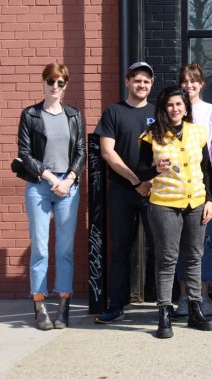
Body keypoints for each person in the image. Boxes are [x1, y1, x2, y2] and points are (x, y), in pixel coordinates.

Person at [136, 86, 212, 338]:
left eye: (179, 104)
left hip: (196, 204)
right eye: (170, 105)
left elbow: (207, 169)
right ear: (163, 108)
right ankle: (164, 313)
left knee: (194, 257)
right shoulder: (151, 136)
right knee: (167, 259)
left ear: (186, 107)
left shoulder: (198, 133)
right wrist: (155, 169)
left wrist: (211, 200)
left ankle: (195, 309)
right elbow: (140, 171)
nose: (175, 109)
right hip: (164, 204)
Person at [16, 63, 86, 330]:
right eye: (50, 81)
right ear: (43, 83)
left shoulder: (73, 115)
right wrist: (52, 178)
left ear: (66, 85)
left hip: (68, 187)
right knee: (41, 247)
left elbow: (80, 151)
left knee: (65, 249)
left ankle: (64, 304)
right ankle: (39, 303)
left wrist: (68, 180)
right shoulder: (31, 114)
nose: (55, 87)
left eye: (60, 82)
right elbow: (25, 153)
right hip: (40, 185)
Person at [95, 62, 157, 324]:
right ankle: (116, 304)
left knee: (161, 248)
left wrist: (151, 181)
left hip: (156, 191)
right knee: (121, 249)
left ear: (151, 85)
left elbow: (171, 149)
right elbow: (107, 152)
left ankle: (164, 305)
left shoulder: (159, 112)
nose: (141, 85)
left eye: (146, 81)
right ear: (127, 82)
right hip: (122, 190)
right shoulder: (113, 112)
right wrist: (135, 182)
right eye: (137, 80)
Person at [174, 62, 212, 317]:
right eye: (184, 81)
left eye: (193, 80)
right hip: (175, 189)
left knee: (203, 243)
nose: (189, 85)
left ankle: (202, 296)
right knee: (181, 244)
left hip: (203, 189)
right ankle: (184, 296)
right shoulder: (174, 111)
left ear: (201, 83)